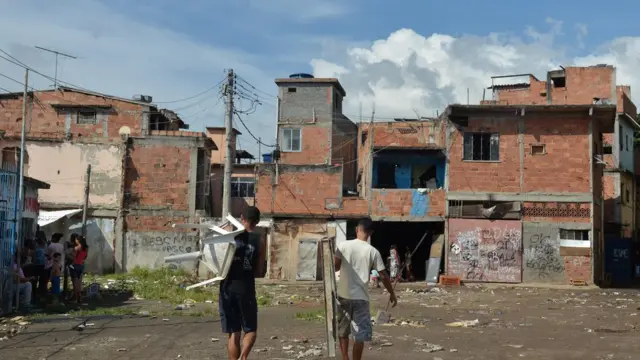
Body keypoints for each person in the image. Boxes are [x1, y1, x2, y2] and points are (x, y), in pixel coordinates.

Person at [334, 217, 397, 360]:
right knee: (360, 335)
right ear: (371, 233)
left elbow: (335, 266)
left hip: (343, 296)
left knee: (343, 329)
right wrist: (392, 294)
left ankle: (345, 357)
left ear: (357, 229)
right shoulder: (373, 251)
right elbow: (383, 275)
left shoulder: (343, 245)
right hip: (361, 298)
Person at [219, 206, 266, 360]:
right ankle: (243, 357)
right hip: (246, 288)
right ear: (257, 222)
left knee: (234, 332)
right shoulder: (259, 240)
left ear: (241, 217)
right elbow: (259, 271)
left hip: (227, 288)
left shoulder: (229, 236)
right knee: (251, 329)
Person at [70, 235, 88, 303]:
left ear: (78, 240)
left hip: (74, 266)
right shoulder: (86, 248)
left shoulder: (76, 248)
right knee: (79, 283)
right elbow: (85, 257)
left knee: (75, 283)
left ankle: (76, 298)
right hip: (81, 265)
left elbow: (73, 257)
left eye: (76, 240)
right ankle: (79, 298)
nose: (75, 241)